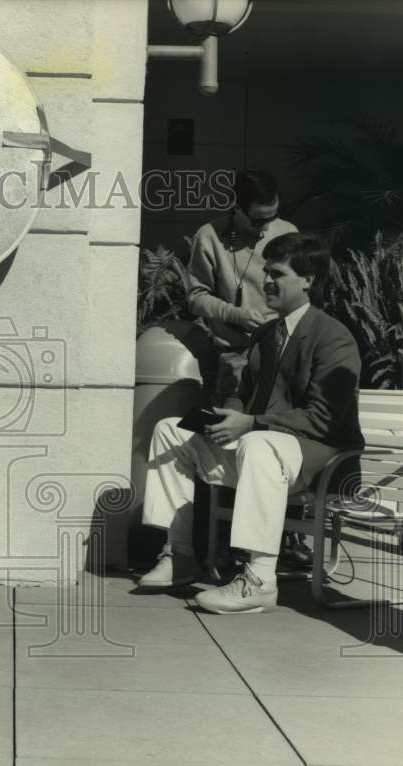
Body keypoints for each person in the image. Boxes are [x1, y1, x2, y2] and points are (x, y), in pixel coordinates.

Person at [140, 233, 364, 614]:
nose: (267, 281)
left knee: (258, 444)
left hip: (320, 461)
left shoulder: (334, 337)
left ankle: (259, 579)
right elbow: (242, 395)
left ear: (307, 280)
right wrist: (227, 415)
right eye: (266, 271)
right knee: (171, 429)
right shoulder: (266, 334)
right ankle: (180, 554)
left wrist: (252, 423)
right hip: (265, 448)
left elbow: (323, 417)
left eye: (278, 273)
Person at [186, 169, 298, 404]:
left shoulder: (288, 233)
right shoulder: (209, 237)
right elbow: (196, 297)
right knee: (224, 430)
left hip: (281, 352)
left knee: (274, 431)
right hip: (235, 356)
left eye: (273, 217)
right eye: (259, 220)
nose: (267, 227)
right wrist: (235, 314)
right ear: (237, 207)